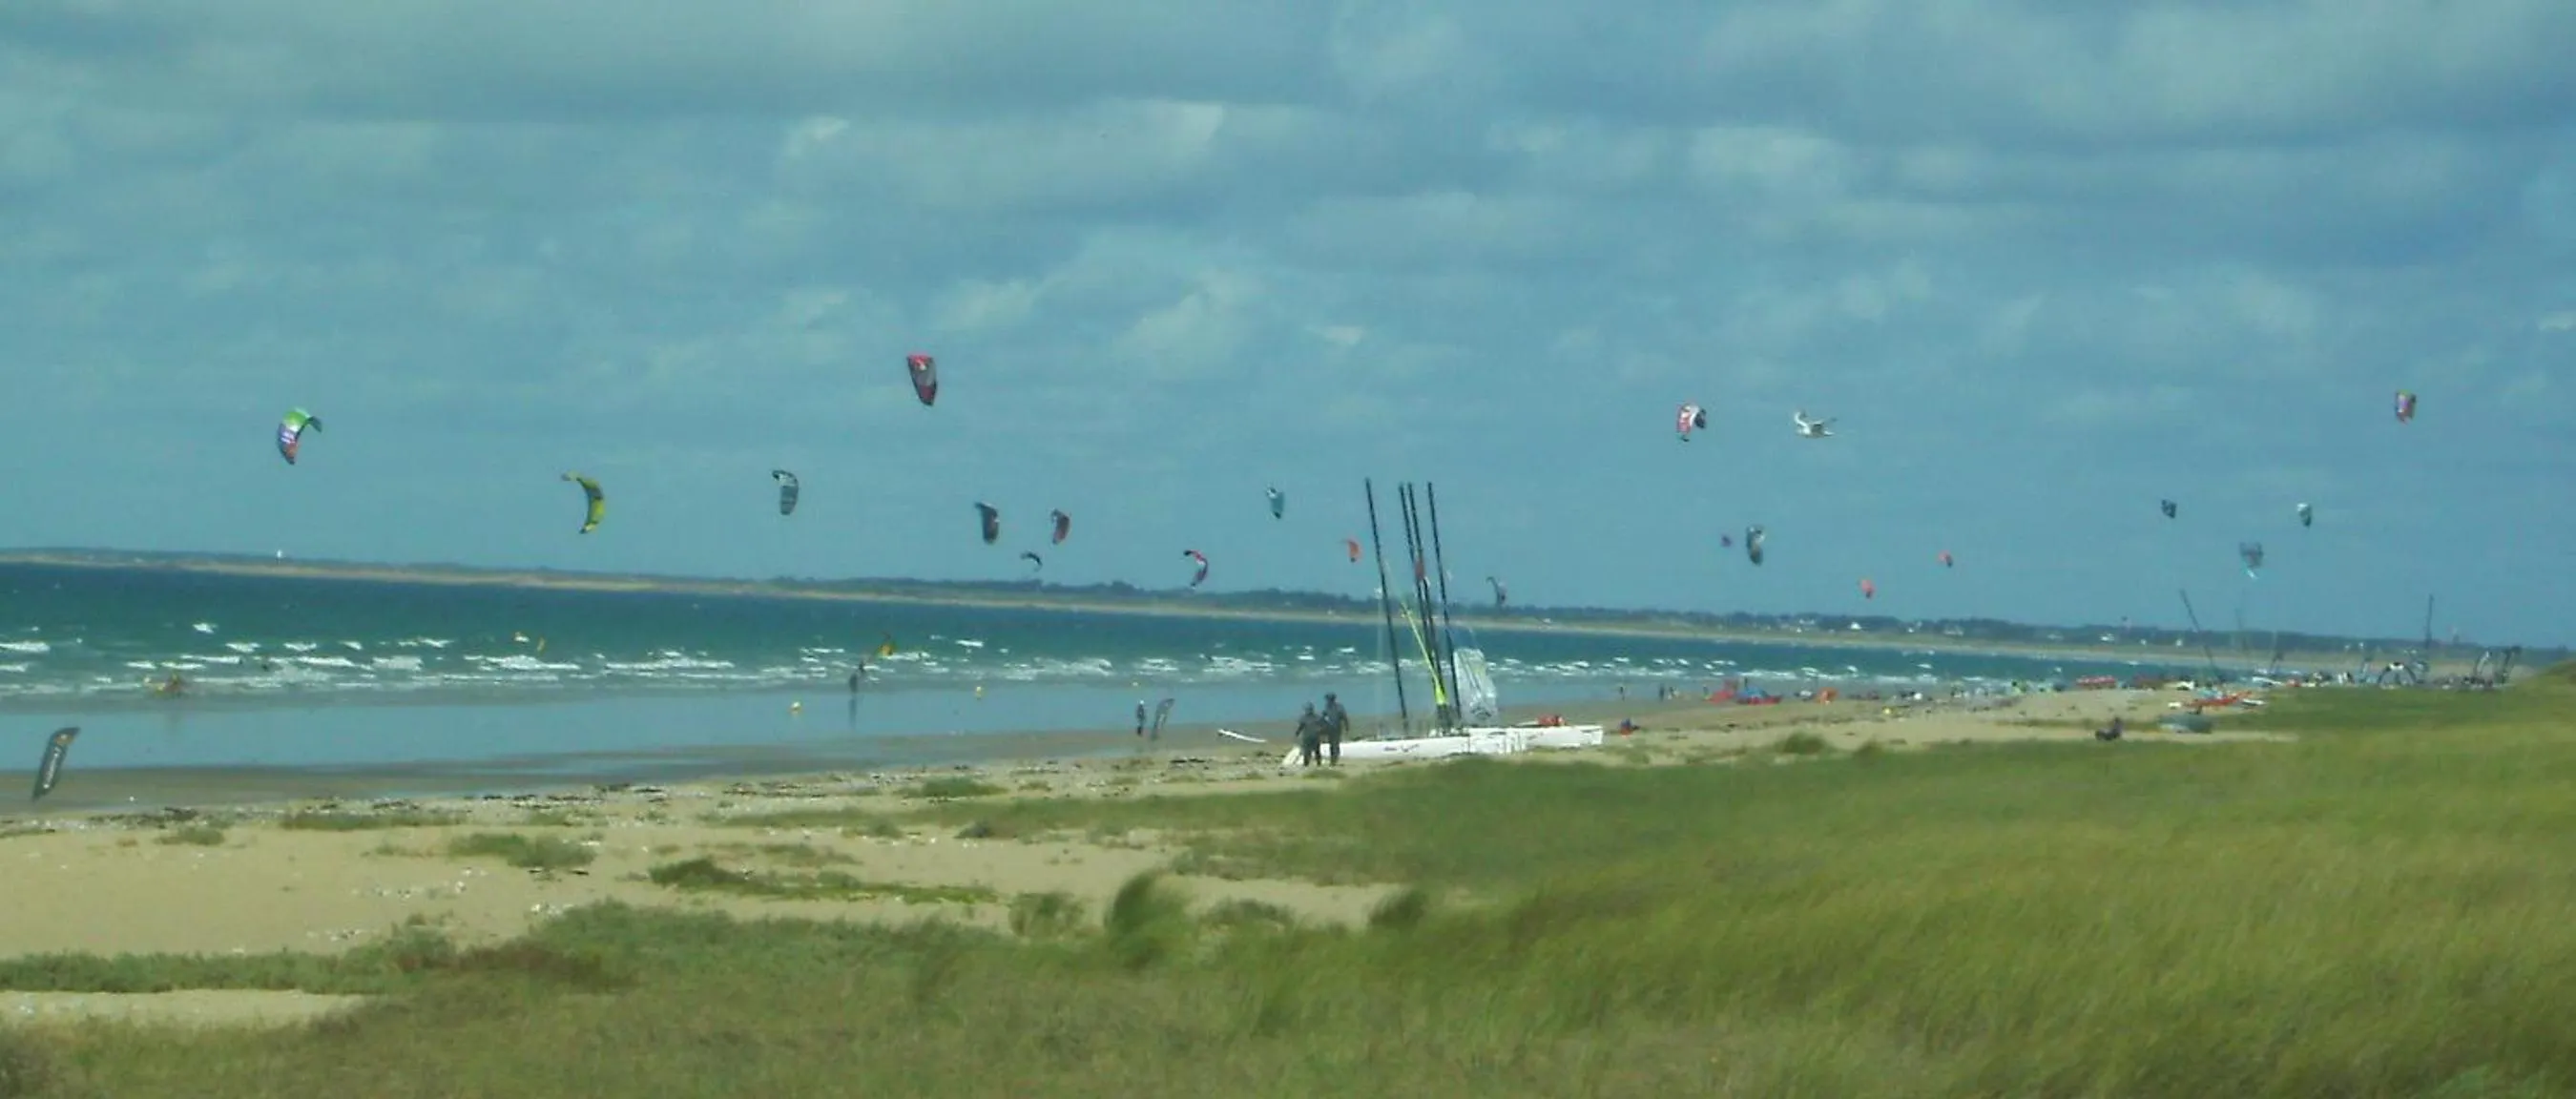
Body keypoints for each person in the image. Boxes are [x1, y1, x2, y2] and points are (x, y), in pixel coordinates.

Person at [1320, 693, 1349, 764]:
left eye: (1328, 699)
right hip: (1330, 728)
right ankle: (1333, 758)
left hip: (1336, 728)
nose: (1327, 701)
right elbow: (1323, 716)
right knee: (1332, 744)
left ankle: (1334, 760)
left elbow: (1344, 718)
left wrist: (1347, 727)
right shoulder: (1328, 706)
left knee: (1335, 744)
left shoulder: (1339, 707)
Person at [1294, 703, 1324, 767]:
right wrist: (1297, 733)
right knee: (1308, 751)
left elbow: (1322, 726)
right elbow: (1301, 727)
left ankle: (1318, 764)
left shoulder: (1316, 717)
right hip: (1308, 737)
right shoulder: (1315, 717)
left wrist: (1297, 733)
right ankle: (1307, 764)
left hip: (1314, 737)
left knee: (1316, 751)